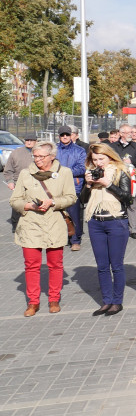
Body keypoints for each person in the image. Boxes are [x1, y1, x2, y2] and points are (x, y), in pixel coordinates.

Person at [9, 141, 76, 315]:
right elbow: (14, 200)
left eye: (41, 156)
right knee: (31, 265)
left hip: (54, 222)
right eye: (35, 156)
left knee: (55, 264)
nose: (37, 159)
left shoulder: (64, 173)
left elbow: (71, 198)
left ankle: (54, 299)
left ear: (51, 157)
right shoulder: (25, 173)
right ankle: (33, 302)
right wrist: (29, 206)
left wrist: (53, 202)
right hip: (31, 223)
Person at [80, 143, 133, 315]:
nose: (98, 163)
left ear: (109, 157)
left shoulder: (120, 171)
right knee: (102, 265)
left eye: (101, 159)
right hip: (95, 222)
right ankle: (106, 301)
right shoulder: (91, 173)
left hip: (115, 221)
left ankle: (117, 302)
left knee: (116, 265)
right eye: (94, 159)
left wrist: (108, 184)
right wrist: (88, 184)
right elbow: (82, 200)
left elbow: (127, 198)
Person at [55, 125, 86, 251]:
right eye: (62, 135)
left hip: (74, 186)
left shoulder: (79, 150)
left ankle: (75, 240)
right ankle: (59, 239)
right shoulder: (54, 150)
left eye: (67, 134)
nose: (65, 137)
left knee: (73, 215)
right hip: (56, 186)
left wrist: (64, 172)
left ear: (71, 135)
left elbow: (82, 168)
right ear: (59, 136)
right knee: (57, 215)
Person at [112, 123, 136, 239]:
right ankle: (118, 228)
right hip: (116, 180)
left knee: (133, 205)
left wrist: (133, 163)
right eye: (128, 132)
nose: (131, 134)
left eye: (132, 132)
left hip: (132, 181)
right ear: (121, 134)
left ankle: (134, 229)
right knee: (117, 204)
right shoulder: (113, 147)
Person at [4, 132, 36, 233]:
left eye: (31, 140)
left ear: (36, 141)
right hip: (19, 182)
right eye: (27, 140)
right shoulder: (16, 153)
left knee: (34, 204)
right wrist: (9, 181)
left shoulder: (40, 152)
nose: (29, 142)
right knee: (17, 205)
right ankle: (16, 225)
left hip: (36, 182)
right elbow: (8, 169)